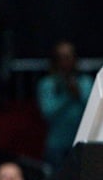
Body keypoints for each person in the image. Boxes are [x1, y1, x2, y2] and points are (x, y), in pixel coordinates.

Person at [36, 40, 92, 169]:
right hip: (56, 146)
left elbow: (93, 110)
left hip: (81, 142)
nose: (65, 62)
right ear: (54, 60)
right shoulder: (47, 84)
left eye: (68, 57)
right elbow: (47, 113)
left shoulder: (85, 82)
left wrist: (78, 95)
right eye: (60, 57)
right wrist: (68, 96)